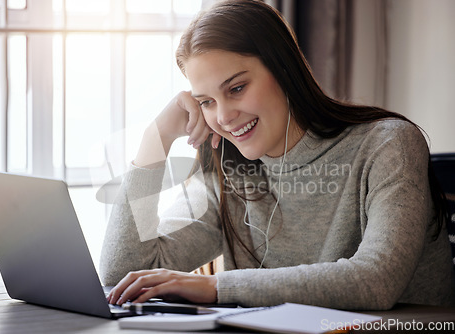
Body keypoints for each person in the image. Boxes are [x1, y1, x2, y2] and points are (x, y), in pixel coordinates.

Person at [100, 0, 455, 310]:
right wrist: (156, 139)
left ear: (284, 70)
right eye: (206, 101)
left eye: (237, 88)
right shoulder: (229, 173)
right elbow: (123, 274)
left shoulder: (388, 144)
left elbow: (376, 280)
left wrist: (217, 287)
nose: (222, 117)